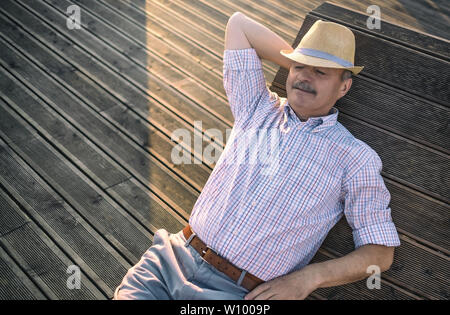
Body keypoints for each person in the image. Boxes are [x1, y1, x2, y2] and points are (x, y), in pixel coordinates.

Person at [114, 12, 401, 300]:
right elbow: (239, 25)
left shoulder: (355, 158)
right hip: (171, 259)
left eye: (321, 72)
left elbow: (380, 252)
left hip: (237, 293)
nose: (304, 76)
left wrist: (307, 279)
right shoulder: (258, 107)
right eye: (299, 66)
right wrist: (301, 68)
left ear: (344, 87)